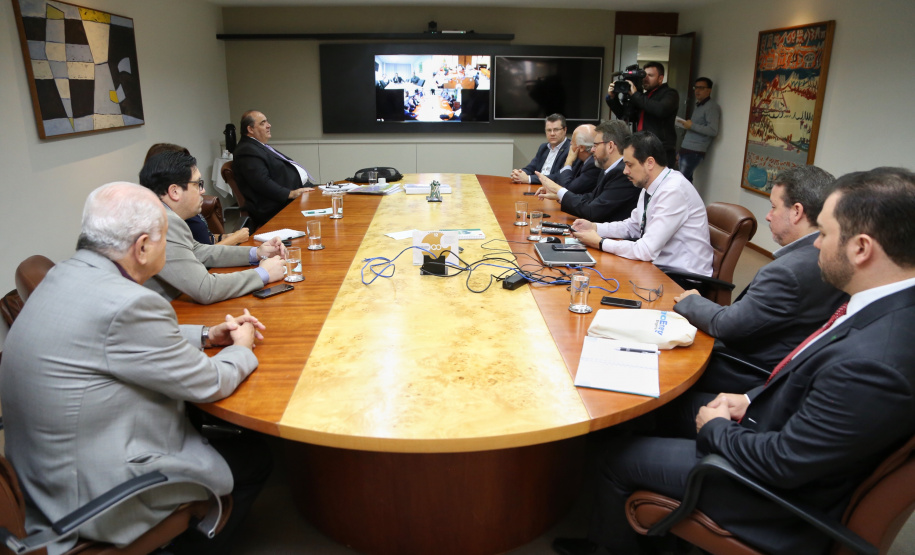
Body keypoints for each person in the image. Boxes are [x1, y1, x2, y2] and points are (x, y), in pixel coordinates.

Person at [553, 167, 915, 555]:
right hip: (767, 421)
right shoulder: (883, 308)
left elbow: (785, 464)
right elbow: (810, 378)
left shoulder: (875, 362)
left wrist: (717, 429)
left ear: (861, 248)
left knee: (615, 458)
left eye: (824, 234)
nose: (814, 244)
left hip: (767, 492)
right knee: (651, 406)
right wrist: (749, 398)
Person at [0, 182, 272, 555]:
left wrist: (207, 335)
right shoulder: (131, 303)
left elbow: (105, 334)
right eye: (165, 239)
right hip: (94, 497)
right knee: (255, 458)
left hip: (42, 478)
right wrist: (242, 348)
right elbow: (210, 382)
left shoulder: (61, 276)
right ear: (142, 247)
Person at [673, 165, 847, 391]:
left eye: (774, 207)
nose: (768, 216)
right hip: (795, 366)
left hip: (748, 372)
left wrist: (691, 301)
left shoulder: (787, 271)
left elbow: (728, 326)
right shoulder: (838, 255)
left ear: (796, 211)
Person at [139, 150, 287, 304]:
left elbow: (199, 251)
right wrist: (263, 273)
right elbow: (206, 289)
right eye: (198, 184)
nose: (203, 190)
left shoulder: (157, 213)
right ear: (174, 191)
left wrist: (257, 253)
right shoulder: (163, 222)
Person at [571, 131, 713, 278]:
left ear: (650, 163)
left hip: (683, 278)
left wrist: (600, 242)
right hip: (659, 268)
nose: (625, 171)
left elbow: (646, 250)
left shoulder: (673, 190)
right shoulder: (651, 185)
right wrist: (594, 227)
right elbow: (632, 226)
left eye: (629, 165)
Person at [534, 120, 640, 223]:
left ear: (610, 146)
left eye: (596, 145)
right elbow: (592, 198)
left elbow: (593, 211)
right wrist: (560, 195)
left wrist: (559, 190)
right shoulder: (608, 169)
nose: (592, 150)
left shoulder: (622, 173)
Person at [144, 143, 249, 246]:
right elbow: (200, 254)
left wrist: (225, 237)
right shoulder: (172, 219)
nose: (202, 191)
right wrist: (235, 239)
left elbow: (204, 240)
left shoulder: (188, 208)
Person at [232, 110, 316, 228]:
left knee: (334, 197)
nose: (269, 125)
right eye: (263, 123)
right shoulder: (246, 150)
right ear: (250, 129)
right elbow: (261, 182)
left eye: (267, 122)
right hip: (279, 205)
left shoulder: (257, 146)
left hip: (296, 192)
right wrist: (290, 193)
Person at [607, 61, 679, 167]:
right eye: (644, 75)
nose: (645, 78)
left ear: (660, 78)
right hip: (642, 147)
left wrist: (635, 95)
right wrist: (612, 98)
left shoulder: (670, 93)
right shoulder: (643, 97)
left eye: (650, 75)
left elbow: (660, 110)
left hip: (661, 149)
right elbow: (625, 115)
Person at [677, 77, 721, 183]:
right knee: (686, 181)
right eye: (696, 87)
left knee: (680, 182)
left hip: (694, 151)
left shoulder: (712, 107)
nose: (697, 90)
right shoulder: (699, 105)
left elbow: (713, 130)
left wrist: (691, 126)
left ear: (709, 90)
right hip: (686, 148)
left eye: (701, 88)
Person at [510, 113, 571, 185]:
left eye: (556, 130)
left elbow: (559, 177)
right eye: (549, 130)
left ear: (565, 130)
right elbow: (531, 168)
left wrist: (529, 179)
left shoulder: (570, 149)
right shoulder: (544, 147)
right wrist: (519, 174)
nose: (552, 134)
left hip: (553, 189)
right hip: (537, 187)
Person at [554, 124, 601, 194]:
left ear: (581, 148)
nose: (570, 143)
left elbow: (567, 190)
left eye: (572, 142)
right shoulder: (581, 159)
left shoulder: (594, 165)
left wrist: (568, 162)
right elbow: (560, 178)